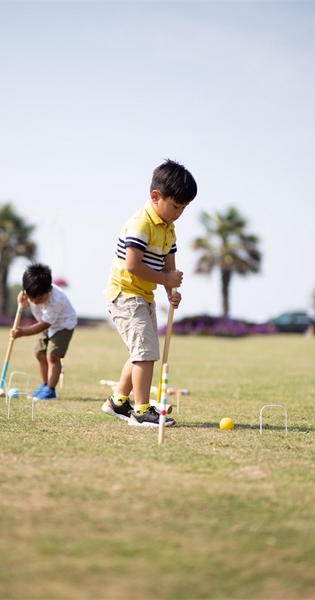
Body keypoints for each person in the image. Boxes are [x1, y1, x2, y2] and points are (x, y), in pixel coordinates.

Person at [102, 159, 197, 427]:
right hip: (124, 294)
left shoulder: (168, 228)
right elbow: (133, 266)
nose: (179, 213)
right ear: (156, 197)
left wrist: (171, 289)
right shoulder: (141, 224)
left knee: (144, 349)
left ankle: (118, 401)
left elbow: (169, 266)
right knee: (145, 352)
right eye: (176, 206)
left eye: (184, 208)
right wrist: (165, 278)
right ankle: (142, 411)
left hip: (144, 295)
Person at [10, 263, 77, 400]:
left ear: (49, 289)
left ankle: (50, 390)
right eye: (31, 297)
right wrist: (21, 303)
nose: (35, 301)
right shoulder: (31, 292)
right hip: (43, 322)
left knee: (52, 356)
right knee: (39, 353)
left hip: (62, 325)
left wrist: (22, 332)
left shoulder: (55, 300)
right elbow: (24, 307)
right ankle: (44, 384)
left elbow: (45, 324)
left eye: (39, 298)